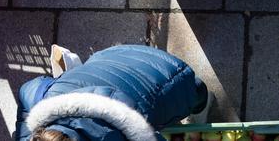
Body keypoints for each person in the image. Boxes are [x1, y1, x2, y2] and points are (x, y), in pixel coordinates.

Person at [13, 44, 211, 141]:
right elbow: (28, 89)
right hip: (114, 55)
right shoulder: (35, 103)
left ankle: (201, 101)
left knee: (193, 92)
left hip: (171, 74)